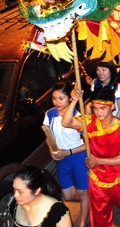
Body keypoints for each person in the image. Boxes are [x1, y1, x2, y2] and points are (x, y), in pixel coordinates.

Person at [63, 87, 120, 227]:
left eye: (102, 108)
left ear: (112, 106)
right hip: (97, 177)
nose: (98, 112)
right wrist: (74, 101)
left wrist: (98, 161)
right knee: (99, 213)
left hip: (118, 178)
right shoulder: (90, 122)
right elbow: (66, 122)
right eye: (95, 108)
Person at [43, 81, 89, 227]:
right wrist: (52, 151)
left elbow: (88, 144)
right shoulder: (49, 114)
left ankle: (83, 221)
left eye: (61, 98)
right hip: (61, 160)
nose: (57, 102)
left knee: (82, 193)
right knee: (68, 196)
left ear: (70, 98)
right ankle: (89, 200)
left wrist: (67, 152)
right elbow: (48, 135)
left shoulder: (77, 116)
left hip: (77, 158)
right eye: (54, 98)